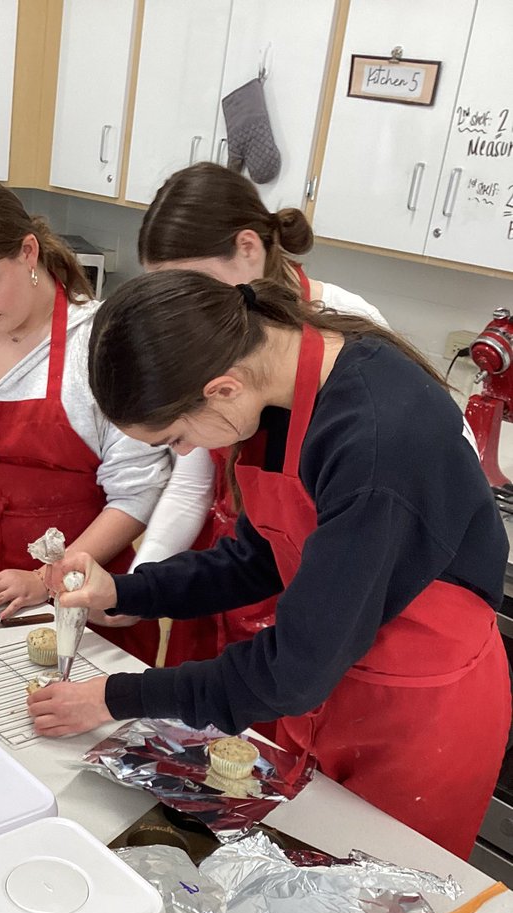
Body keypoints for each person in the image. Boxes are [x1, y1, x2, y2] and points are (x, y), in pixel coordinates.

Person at [28, 270, 511, 859]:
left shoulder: (374, 443)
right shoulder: (279, 398)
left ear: (222, 389)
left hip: (415, 716)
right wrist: (125, 593)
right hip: (334, 680)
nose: (182, 454)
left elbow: (294, 670)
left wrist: (119, 696)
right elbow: (255, 560)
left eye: (176, 437)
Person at [129, 162, 389, 667]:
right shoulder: (206, 336)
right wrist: (140, 584)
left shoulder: (348, 330)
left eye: (191, 284)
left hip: (317, 586)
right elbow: (192, 479)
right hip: (228, 574)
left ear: (249, 248)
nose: (182, 308)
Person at [0, 180, 170, 662]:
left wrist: (46, 578)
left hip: (75, 597)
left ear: (28, 252)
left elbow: (136, 493)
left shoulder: (103, 343)